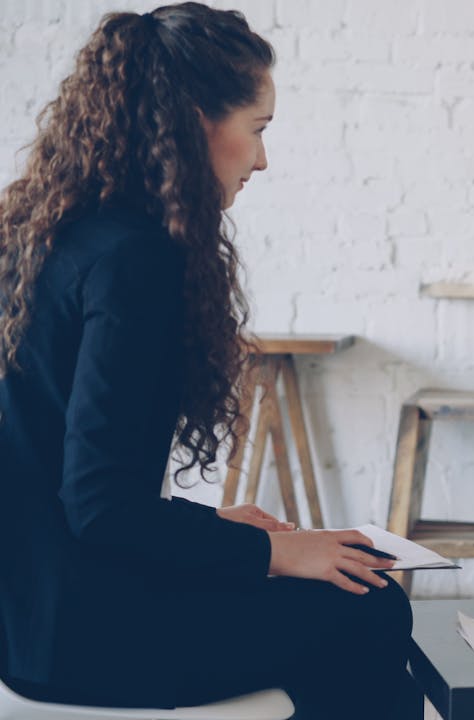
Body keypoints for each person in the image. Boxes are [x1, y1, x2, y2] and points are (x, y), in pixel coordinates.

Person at [0, 5, 421, 718]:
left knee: (343, 613)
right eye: (257, 131)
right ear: (197, 122)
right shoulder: (137, 259)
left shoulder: (49, 233)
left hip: (27, 618)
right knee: (369, 610)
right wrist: (277, 553)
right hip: (81, 635)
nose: (262, 159)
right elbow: (100, 509)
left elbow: (77, 488)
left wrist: (224, 533)